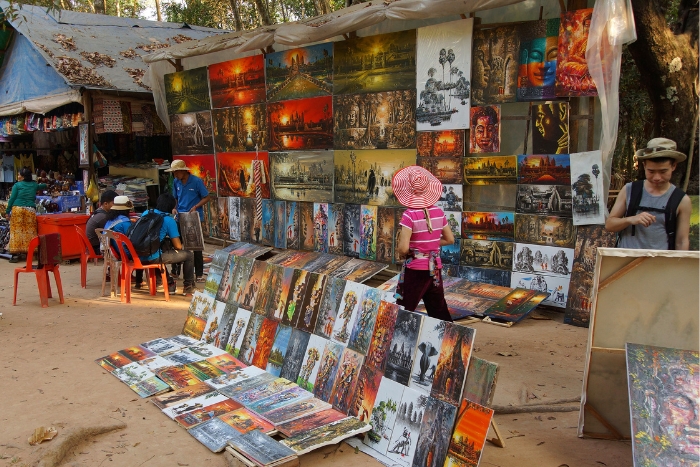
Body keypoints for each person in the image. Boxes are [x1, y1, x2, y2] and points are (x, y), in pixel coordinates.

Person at [392, 166, 455, 322]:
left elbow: (404, 247)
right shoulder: (439, 212)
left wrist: (408, 250)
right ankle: (449, 341)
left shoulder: (409, 215)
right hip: (436, 270)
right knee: (439, 310)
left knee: (405, 309)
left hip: (416, 270)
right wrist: (430, 246)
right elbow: (450, 239)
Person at [606, 138, 691, 250]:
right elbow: (609, 225)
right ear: (644, 165)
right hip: (626, 262)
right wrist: (630, 219)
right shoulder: (630, 189)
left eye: (663, 172)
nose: (656, 177)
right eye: (651, 171)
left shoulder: (681, 200)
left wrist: (680, 265)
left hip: (660, 263)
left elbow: (682, 241)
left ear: (673, 166)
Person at [113, 193, 196, 295]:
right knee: (189, 255)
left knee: (159, 250)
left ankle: (164, 282)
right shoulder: (169, 220)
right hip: (152, 257)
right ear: (171, 207)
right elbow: (178, 246)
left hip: (136, 254)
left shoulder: (146, 213)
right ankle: (188, 287)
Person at [166, 159, 210, 283]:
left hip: (193, 216)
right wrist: (174, 208)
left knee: (196, 247)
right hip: (180, 216)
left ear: (182, 171)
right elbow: (175, 198)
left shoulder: (196, 181)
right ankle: (175, 271)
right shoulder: (176, 182)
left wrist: (196, 206)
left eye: (176, 172)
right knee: (177, 244)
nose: (175, 175)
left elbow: (206, 197)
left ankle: (199, 274)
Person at [6, 167, 47, 263]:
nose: (18, 176)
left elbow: (12, 199)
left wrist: (7, 211)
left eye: (19, 174)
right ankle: (31, 253)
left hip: (18, 210)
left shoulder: (17, 185)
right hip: (30, 210)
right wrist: (45, 182)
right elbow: (43, 186)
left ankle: (15, 255)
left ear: (23, 177)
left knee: (16, 232)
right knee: (30, 232)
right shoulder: (34, 185)